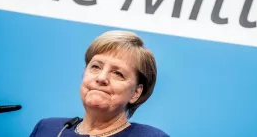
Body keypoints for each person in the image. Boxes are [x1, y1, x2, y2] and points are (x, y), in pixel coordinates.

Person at [29, 30, 169, 137]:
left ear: (135, 93)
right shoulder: (47, 128)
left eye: (118, 73)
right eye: (96, 67)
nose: (101, 78)